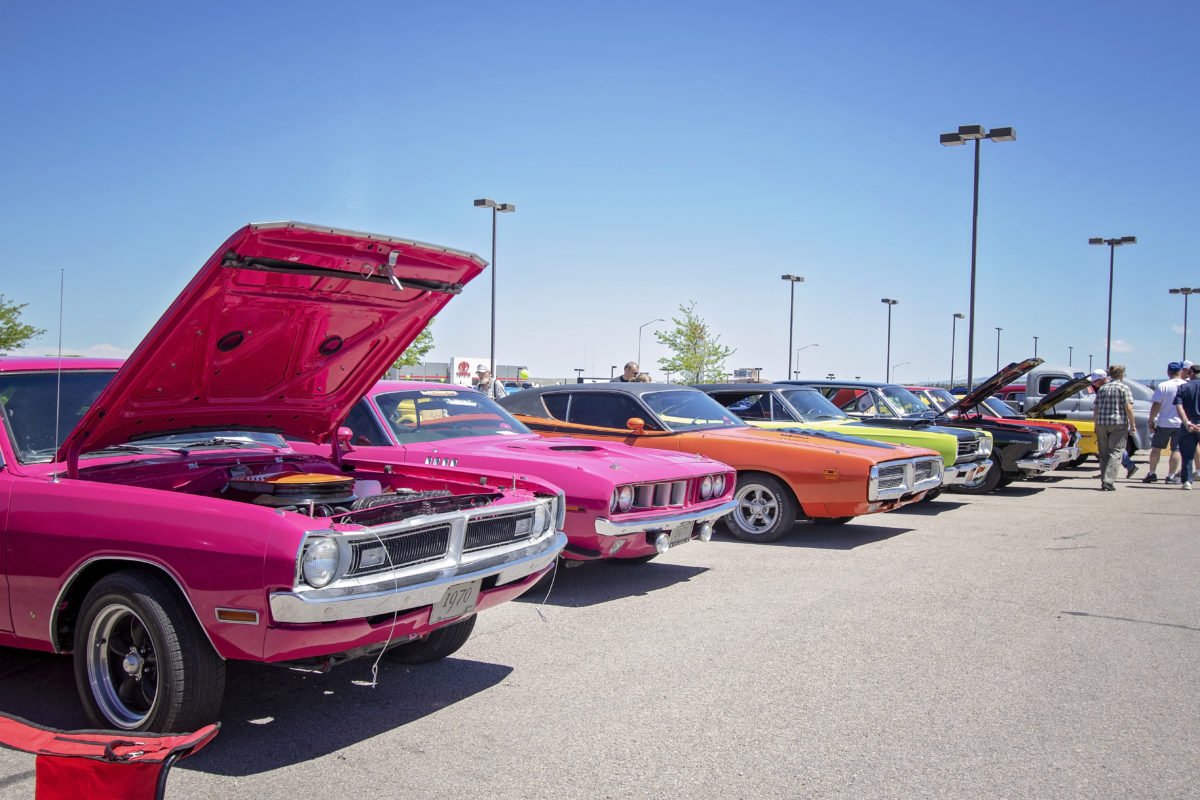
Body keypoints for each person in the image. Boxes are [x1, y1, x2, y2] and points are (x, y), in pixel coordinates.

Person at [1092, 366, 1136, 491]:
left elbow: (1096, 409)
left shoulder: (1102, 389)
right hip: (1118, 423)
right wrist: (1132, 424)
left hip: (1101, 423)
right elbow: (1129, 408)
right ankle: (1108, 480)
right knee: (1116, 452)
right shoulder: (1124, 388)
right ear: (1121, 375)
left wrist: (1095, 425)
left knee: (1104, 453)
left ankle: (1104, 479)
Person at [1144, 361, 1186, 483]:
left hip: (1164, 422)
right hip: (1180, 423)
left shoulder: (1163, 386)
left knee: (1156, 448)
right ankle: (1171, 476)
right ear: (1180, 371)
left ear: (1168, 372)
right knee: (1176, 449)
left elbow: (1156, 405)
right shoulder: (1186, 385)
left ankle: (1152, 473)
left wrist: (1151, 420)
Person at [1173, 362, 1200, 490]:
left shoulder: (1183, 388)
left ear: (1191, 373)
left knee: (1187, 455)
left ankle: (1187, 481)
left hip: (1188, 425)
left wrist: (1186, 422)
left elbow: (1179, 406)